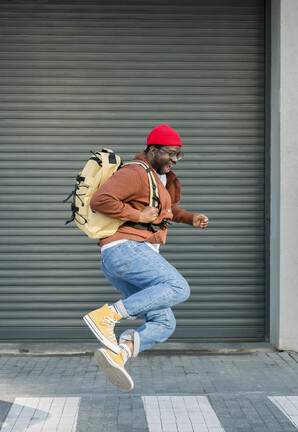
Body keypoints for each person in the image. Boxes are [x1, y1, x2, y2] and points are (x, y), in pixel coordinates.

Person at [83, 124, 210, 391]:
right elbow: (100, 200)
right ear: (152, 150)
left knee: (164, 322)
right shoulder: (136, 172)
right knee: (177, 287)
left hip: (128, 257)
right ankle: (107, 315)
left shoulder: (160, 178)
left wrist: (190, 218)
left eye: (178, 156)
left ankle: (119, 354)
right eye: (170, 154)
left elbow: (169, 209)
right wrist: (138, 216)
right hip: (125, 250)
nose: (174, 160)